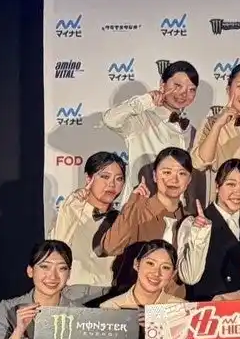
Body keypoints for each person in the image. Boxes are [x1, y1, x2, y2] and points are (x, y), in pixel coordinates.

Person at [97, 146, 192, 293]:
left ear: (189, 179)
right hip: (134, 301)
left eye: (182, 173)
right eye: (167, 172)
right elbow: (110, 247)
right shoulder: (138, 209)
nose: (174, 179)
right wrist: (133, 205)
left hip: (175, 301)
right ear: (154, 175)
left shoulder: (191, 221)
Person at [101, 60, 198, 196]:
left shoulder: (191, 130)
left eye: (191, 89)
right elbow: (110, 120)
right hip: (141, 204)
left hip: (177, 206)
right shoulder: (142, 119)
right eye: (177, 86)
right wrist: (145, 100)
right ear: (162, 85)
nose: (183, 93)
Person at [190, 61, 240, 208]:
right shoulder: (212, 123)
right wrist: (218, 126)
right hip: (224, 207)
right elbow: (199, 162)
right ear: (228, 89)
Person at [176, 159, 240, 301]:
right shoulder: (192, 223)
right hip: (206, 308)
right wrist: (199, 235)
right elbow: (189, 277)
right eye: (231, 184)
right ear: (217, 186)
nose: (239, 192)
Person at [48, 151, 125, 288]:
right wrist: (72, 208)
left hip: (110, 294)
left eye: (119, 179)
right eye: (105, 176)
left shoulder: (122, 220)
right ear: (89, 178)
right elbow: (55, 250)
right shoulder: (70, 212)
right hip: (72, 293)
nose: (112, 184)